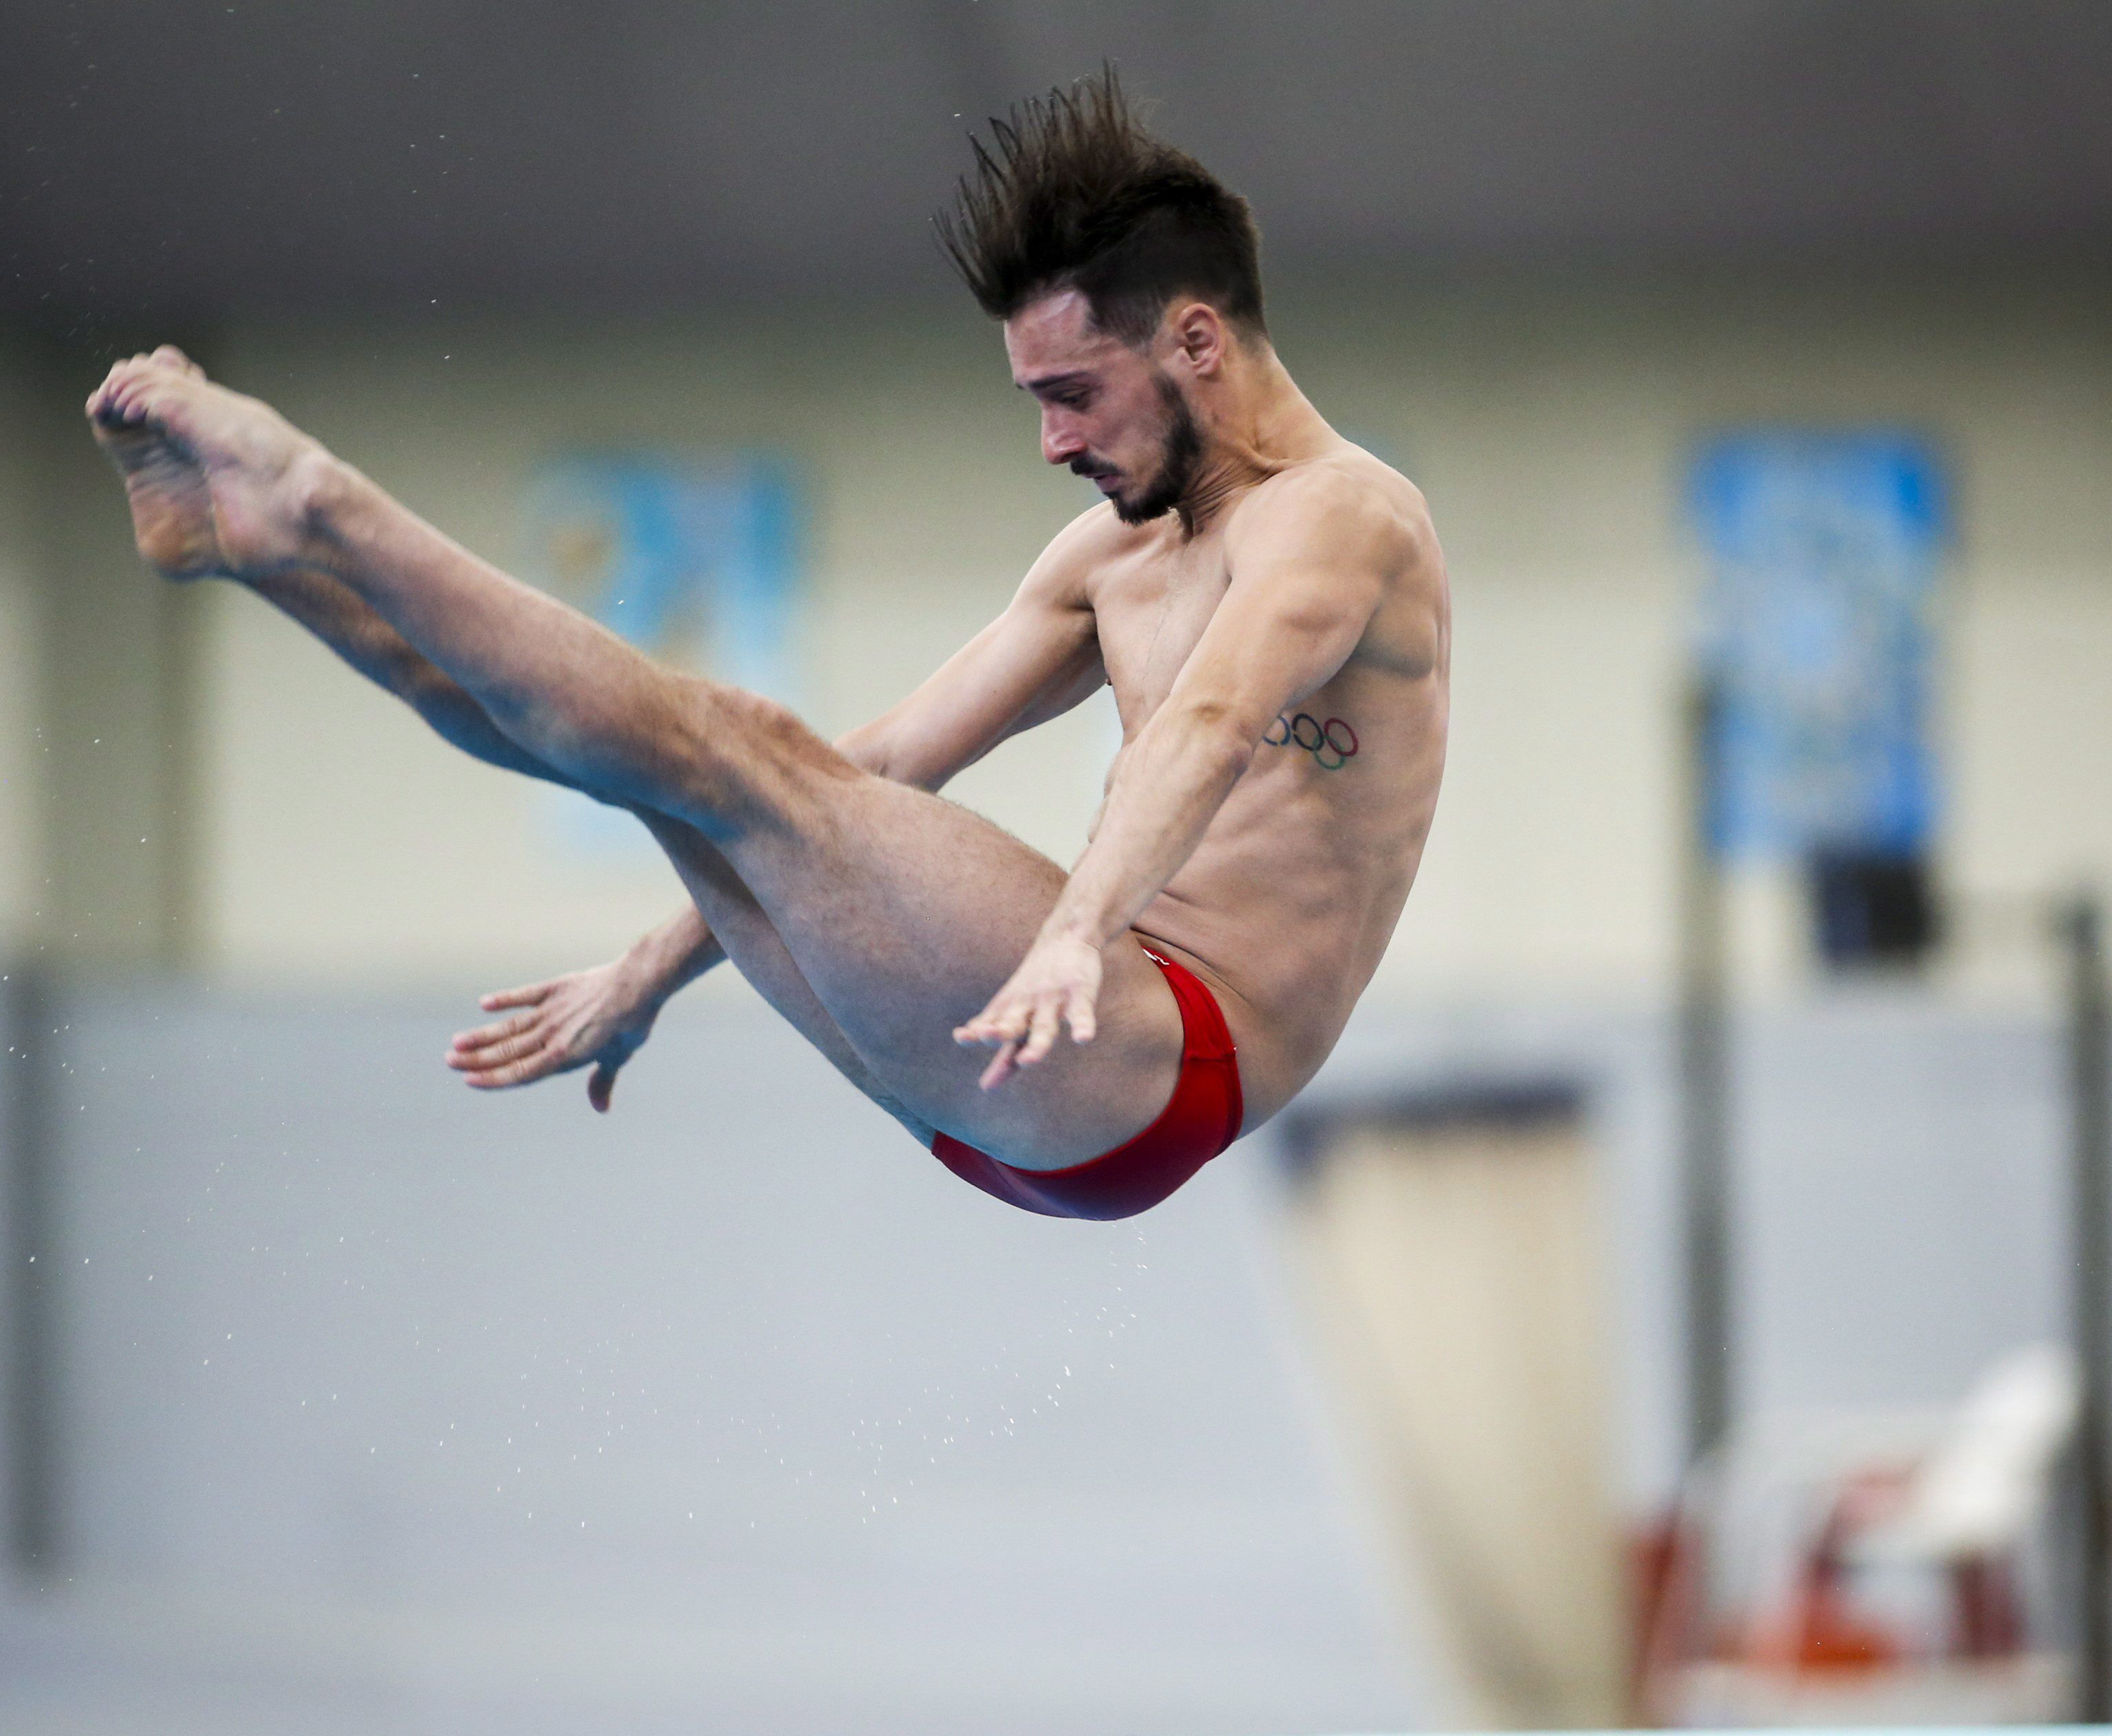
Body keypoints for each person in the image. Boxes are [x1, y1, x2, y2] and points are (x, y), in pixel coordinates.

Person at [85, 72, 1449, 1220]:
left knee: (725, 746)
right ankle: (263, 557)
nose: (1053, 443)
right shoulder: (1109, 563)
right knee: (659, 766)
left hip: (1159, 1052)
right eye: (1036, 401)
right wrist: (644, 977)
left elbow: (1210, 725)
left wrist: (1075, 935)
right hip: (1015, 1080)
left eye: (1075, 395)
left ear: (1196, 340)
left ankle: (320, 497)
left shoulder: (1345, 517)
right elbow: (884, 765)